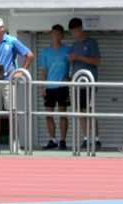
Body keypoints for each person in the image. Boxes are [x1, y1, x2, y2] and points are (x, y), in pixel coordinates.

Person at [0, 17, 32, 155]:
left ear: (3, 28)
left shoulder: (11, 41)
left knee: (13, 114)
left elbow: (29, 55)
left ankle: (15, 144)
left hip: (9, 82)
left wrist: (20, 72)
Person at [67, 18, 100, 151]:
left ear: (81, 28)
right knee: (80, 112)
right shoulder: (74, 45)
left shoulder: (91, 43)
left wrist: (79, 57)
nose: (75, 34)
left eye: (76, 31)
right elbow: (75, 63)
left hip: (88, 83)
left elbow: (97, 61)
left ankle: (96, 139)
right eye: (72, 32)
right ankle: (86, 138)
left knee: (89, 111)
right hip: (77, 83)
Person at [39, 23, 71, 151]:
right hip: (50, 88)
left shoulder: (68, 50)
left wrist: (71, 78)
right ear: (51, 35)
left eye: (59, 34)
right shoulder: (46, 52)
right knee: (49, 115)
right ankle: (52, 140)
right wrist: (42, 87)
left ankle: (63, 141)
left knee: (63, 114)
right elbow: (44, 71)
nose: (56, 36)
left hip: (63, 87)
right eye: (54, 34)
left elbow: (76, 65)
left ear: (62, 35)